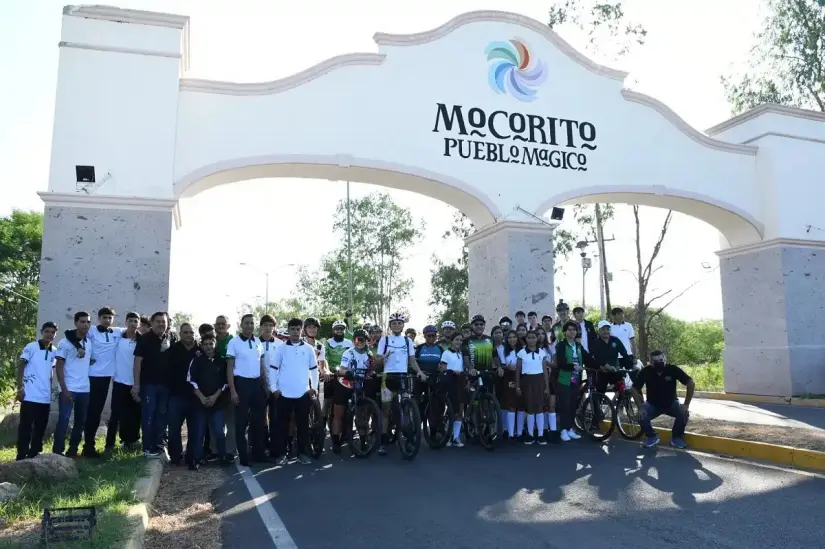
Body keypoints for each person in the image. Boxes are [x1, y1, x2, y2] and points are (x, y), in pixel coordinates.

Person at [375, 312, 428, 456]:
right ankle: (384, 442)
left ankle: (409, 438)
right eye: (394, 323)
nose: (397, 325)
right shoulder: (384, 340)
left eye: (399, 323)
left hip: (403, 376)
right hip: (388, 377)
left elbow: (412, 360)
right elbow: (377, 360)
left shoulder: (407, 341)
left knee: (406, 408)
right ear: (390, 325)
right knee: (386, 411)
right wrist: (383, 358)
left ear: (403, 325)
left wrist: (419, 372)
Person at [270, 317, 319, 465]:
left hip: (302, 393)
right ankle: (282, 454)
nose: (295, 332)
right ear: (289, 330)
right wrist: (274, 388)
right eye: (292, 329)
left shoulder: (309, 349)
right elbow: (273, 369)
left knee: (303, 425)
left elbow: (314, 370)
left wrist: (314, 388)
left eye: (298, 329)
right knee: (281, 425)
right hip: (283, 394)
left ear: (302, 330)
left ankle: (302, 453)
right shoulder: (281, 348)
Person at [133, 311, 177, 458]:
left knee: (161, 416)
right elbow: (137, 362)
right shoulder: (145, 339)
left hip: (166, 385)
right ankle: (147, 448)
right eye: (158, 321)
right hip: (149, 384)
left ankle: (158, 446)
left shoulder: (171, 338)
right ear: (151, 323)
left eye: (163, 321)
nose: (161, 324)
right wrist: (137, 385)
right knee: (148, 416)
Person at [226, 313, 268, 467]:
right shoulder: (234, 343)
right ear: (241, 324)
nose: (250, 325)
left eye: (252, 323)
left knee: (258, 421)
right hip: (241, 384)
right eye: (247, 323)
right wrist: (233, 391)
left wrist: (266, 385)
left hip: (257, 384)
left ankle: (258, 453)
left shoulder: (258, 341)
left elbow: (262, 365)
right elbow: (229, 368)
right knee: (241, 423)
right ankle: (244, 457)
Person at [188, 332, 233, 469]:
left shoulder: (222, 360)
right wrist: (201, 397)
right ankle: (197, 458)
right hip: (199, 403)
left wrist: (214, 397)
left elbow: (225, 383)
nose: (208, 347)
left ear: (215, 345)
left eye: (211, 344)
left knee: (219, 431)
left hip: (217, 403)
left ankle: (222, 456)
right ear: (201, 345)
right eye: (205, 344)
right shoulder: (196, 361)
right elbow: (191, 381)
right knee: (199, 431)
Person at [633, 350, 695, 449]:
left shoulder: (673, 369)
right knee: (640, 415)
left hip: (671, 404)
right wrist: (640, 406)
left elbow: (690, 383)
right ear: (651, 362)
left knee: (684, 413)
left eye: (661, 360)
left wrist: (686, 404)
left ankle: (676, 438)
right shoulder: (645, 371)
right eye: (655, 361)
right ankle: (652, 437)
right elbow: (634, 389)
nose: (659, 363)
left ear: (665, 359)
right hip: (652, 405)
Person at [15, 321, 58, 461]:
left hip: (44, 397)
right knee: (25, 427)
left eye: (52, 332)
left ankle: (34, 454)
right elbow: (21, 366)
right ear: (42, 332)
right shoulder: (31, 347)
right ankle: (21, 455)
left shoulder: (55, 351)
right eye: (47, 331)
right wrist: (20, 388)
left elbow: (51, 372)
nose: (49, 335)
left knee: (40, 427)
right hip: (29, 395)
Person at [53, 312, 93, 457]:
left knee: (80, 422)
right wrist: (64, 389)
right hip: (68, 388)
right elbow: (59, 366)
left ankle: (73, 451)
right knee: (63, 420)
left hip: (84, 388)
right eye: (82, 322)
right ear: (75, 323)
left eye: (88, 322)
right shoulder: (64, 343)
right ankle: (57, 451)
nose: (85, 325)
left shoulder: (89, 342)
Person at [331, 329, 375, 454]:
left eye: (362, 340)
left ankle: (363, 440)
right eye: (357, 339)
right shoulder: (348, 353)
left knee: (362, 413)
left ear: (367, 341)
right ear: (353, 341)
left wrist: (373, 373)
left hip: (360, 384)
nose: (359, 342)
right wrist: (347, 372)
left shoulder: (369, 354)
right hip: (345, 383)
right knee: (339, 413)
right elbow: (343, 368)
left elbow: (371, 370)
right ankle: (335, 441)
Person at [105, 312, 141, 455]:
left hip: (136, 384)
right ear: (126, 322)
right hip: (120, 382)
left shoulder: (142, 340)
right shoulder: (117, 336)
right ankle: (109, 445)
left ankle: (130, 442)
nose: (133, 323)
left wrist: (138, 384)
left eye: (136, 321)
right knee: (116, 415)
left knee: (134, 415)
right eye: (131, 321)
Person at [166, 322, 200, 466]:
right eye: (185, 332)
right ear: (180, 334)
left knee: (194, 430)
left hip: (195, 397)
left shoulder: (200, 350)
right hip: (175, 395)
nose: (188, 335)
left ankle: (190, 456)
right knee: (173, 429)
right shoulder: (173, 349)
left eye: (191, 332)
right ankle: (175, 455)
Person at [553, 320, 591, 442]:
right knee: (565, 405)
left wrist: (600, 365)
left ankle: (569, 428)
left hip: (576, 380)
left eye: (574, 330)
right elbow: (560, 362)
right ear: (565, 332)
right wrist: (572, 366)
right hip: (564, 379)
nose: (572, 332)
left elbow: (588, 358)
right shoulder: (561, 345)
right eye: (569, 330)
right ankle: (563, 430)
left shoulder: (578, 346)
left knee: (573, 405)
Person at [515, 330, 551, 445]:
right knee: (530, 408)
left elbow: (545, 370)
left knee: (540, 407)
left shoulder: (542, 353)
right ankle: (530, 435)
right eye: (529, 337)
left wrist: (546, 386)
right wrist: (518, 386)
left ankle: (540, 435)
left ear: (537, 339)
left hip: (540, 381)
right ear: (526, 339)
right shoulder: (521, 353)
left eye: (533, 337)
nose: (531, 340)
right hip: (527, 381)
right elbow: (518, 371)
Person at [323, 320, 353, 439]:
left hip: (344, 374)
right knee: (327, 401)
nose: (339, 331)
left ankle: (345, 426)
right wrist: (327, 370)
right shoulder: (328, 342)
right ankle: (323, 424)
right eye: (337, 329)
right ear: (333, 330)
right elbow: (324, 357)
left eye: (341, 329)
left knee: (344, 403)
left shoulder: (349, 342)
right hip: (331, 373)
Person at [259, 315, 282, 456]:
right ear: (261, 327)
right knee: (260, 417)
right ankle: (260, 446)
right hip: (259, 386)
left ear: (274, 327)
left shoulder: (280, 344)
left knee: (276, 417)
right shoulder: (255, 342)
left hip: (276, 386)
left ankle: (275, 448)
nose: (268, 328)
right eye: (265, 325)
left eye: (270, 325)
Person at [589, 321, 633, 395]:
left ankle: (617, 403)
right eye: (603, 329)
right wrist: (605, 365)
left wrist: (631, 365)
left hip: (615, 370)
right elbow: (596, 357)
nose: (606, 331)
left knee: (621, 389)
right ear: (599, 331)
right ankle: (598, 404)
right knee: (600, 393)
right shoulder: (595, 342)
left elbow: (624, 353)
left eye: (607, 329)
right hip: (602, 371)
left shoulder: (615, 340)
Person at [438, 332, 465, 447]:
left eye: (461, 340)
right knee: (452, 411)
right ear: (452, 341)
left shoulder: (461, 354)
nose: (459, 342)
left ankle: (456, 437)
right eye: (457, 340)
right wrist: (452, 372)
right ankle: (448, 436)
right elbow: (443, 369)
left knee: (460, 410)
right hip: (450, 382)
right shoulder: (446, 353)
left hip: (460, 382)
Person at [414, 325, 443, 407]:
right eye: (428, 335)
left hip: (435, 376)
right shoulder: (419, 348)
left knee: (435, 399)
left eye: (433, 335)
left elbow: (444, 362)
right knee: (417, 398)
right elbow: (413, 361)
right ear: (425, 336)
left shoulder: (440, 349)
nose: (431, 337)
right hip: (422, 375)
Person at [500, 330, 521, 441]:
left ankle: (520, 432)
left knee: (521, 406)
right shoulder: (504, 351)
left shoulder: (522, 350)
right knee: (511, 404)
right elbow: (502, 365)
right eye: (510, 337)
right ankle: (510, 433)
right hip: (509, 378)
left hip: (522, 378)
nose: (512, 339)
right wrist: (507, 367)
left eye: (514, 337)